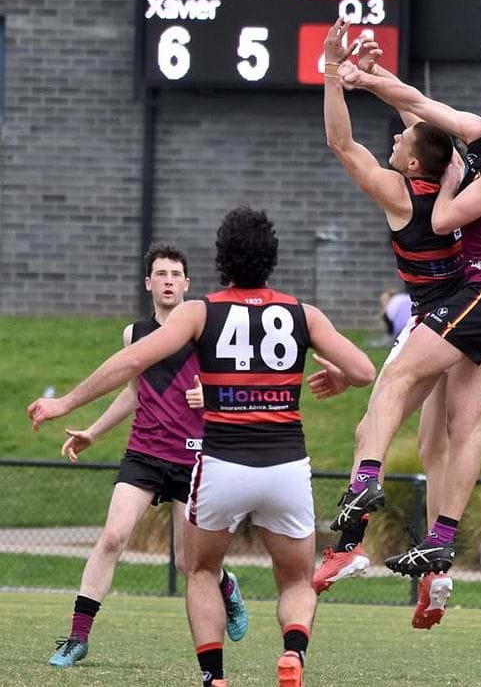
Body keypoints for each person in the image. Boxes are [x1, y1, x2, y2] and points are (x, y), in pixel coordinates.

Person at [28, 208, 377, 687]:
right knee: (296, 580)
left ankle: (214, 678)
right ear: (271, 259)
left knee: (200, 571)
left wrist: (66, 402)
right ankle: (293, 651)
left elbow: (132, 360)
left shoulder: (201, 312)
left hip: (222, 465)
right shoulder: (303, 313)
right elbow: (364, 371)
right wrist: (338, 379)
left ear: (221, 261)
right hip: (286, 465)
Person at [329, 36, 481, 579]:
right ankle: (441, 541)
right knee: (462, 423)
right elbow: (417, 102)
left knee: (398, 376)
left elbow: (441, 222)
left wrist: (453, 181)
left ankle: (365, 481)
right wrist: (365, 79)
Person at [314, 19, 469, 629]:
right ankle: (437, 569)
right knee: (438, 446)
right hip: (477, 316)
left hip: (434, 319)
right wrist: (376, 77)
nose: (396, 140)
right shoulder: (467, 189)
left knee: (370, 425)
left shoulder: (404, 195)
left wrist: (334, 75)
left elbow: (341, 143)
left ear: (414, 159)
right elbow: (444, 124)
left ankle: (348, 547)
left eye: (403, 138)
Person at [39, 244, 249, 668]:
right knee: (113, 536)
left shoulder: (205, 331)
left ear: (187, 283)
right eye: (161, 273)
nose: (169, 280)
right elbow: (134, 391)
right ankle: (78, 637)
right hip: (144, 453)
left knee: (191, 562)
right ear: (149, 283)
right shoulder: (134, 334)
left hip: (193, 457)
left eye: (176, 273)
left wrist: (212, 394)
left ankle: (226, 586)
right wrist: (93, 433)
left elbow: (243, 385)